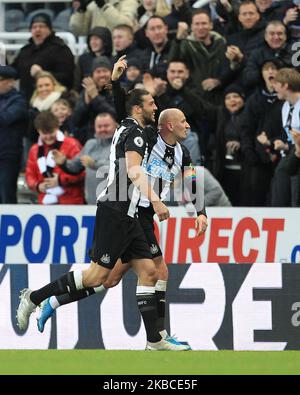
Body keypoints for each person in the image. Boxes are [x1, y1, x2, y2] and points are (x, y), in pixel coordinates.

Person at [29, 57, 208, 347]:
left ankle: (53, 302)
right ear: (169, 126)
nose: (188, 126)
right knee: (138, 273)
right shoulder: (147, 136)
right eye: (184, 121)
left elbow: (191, 180)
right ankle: (157, 338)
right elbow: (127, 113)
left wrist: (200, 212)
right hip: (129, 211)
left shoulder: (183, 153)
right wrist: (116, 83)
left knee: (113, 279)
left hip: (142, 214)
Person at [52, 112, 117, 204]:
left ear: (115, 126)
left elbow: (119, 168)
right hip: (90, 202)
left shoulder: (120, 145)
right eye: (99, 126)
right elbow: (75, 167)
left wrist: (95, 164)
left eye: (106, 126)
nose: (102, 129)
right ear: (94, 128)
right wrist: (64, 163)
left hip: (114, 205)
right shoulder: (90, 144)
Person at [11, 12, 74, 100]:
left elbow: (67, 76)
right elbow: (13, 72)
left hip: (53, 99)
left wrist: (43, 74)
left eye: (42, 26)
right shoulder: (25, 50)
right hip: (26, 99)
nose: (37, 29)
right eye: (34, 27)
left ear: (50, 29)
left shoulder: (61, 49)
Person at [25, 111, 85, 205]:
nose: (48, 137)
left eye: (51, 132)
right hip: (45, 203)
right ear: (38, 131)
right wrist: (38, 186)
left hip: (71, 202)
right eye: (44, 133)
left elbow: (82, 172)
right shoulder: (34, 150)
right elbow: (29, 175)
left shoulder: (72, 144)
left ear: (57, 127)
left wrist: (60, 180)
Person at [271, 67, 300, 206]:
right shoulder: (285, 107)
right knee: (280, 180)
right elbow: (291, 138)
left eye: (276, 83)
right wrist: (284, 146)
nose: (273, 86)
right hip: (292, 151)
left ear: (285, 85)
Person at [0, 65, 28, 203]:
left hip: (8, 155)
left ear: (10, 82)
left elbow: (5, 118)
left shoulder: (19, 100)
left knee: (6, 193)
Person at [69, 0, 139, 36]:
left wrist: (103, 6)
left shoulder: (129, 2)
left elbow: (125, 25)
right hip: (97, 54)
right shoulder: (93, 5)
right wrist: (81, 10)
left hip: (117, 54)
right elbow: (78, 31)